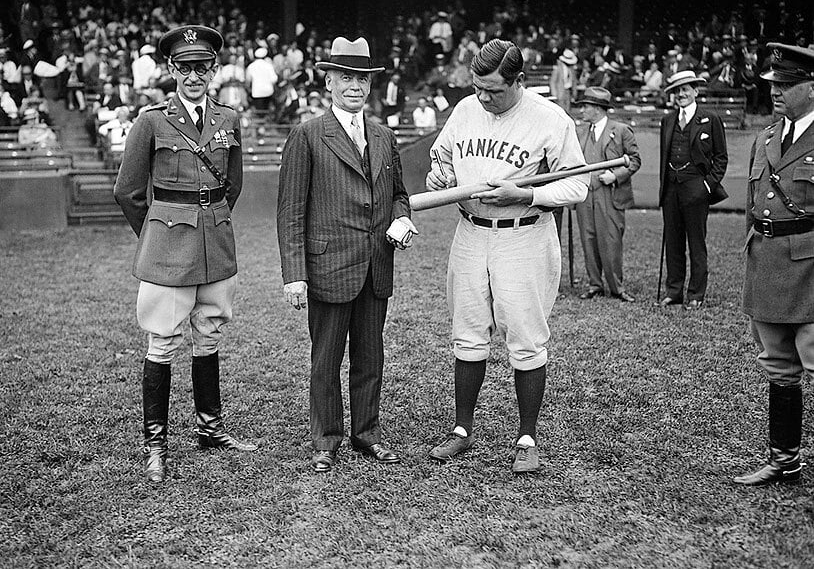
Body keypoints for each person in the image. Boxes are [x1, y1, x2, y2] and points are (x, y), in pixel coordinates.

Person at [425, 39, 588, 473]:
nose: (483, 98)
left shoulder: (550, 118)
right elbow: (441, 157)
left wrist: (528, 191)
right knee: (468, 331)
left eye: (493, 90)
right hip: (470, 232)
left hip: (524, 234)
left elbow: (577, 186)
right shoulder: (465, 110)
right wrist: (440, 172)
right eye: (477, 87)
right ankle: (461, 430)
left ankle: (527, 438)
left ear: (519, 81)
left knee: (526, 337)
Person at [113, 25, 257, 484]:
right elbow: (128, 191)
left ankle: (210, 429)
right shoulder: (151, 121)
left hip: (215, 240)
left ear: (214, 70)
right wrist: (156, 232)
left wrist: (209, 218)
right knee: (162, 341)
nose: (194, 76)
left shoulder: (229, 119)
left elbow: (232, 184)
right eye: (185, 67)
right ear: (171, 70)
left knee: (209, 333)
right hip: (167, 243)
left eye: (203, 67)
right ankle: (155, 443)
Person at [276, 36, 417, 473]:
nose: (354, 85)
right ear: (330, 82)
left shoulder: (383, 135)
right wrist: (294, 274)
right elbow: (290, 211)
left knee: (370, 357)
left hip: (376, 264)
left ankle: (367, 434)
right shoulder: (307, 135)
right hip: (328, 266)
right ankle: (326, 440)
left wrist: (402, 218)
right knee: (326, 359)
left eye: (362, 78)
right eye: (346, 77)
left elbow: (399, 195)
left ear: (370, 85)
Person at [736, 43, 814, 486]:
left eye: (787, 84)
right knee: (780, 367)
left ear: (812, 88)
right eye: (774, 84)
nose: (776, 92)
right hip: (767, 262)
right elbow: (753, 205)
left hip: (811, 266)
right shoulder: (766, 137)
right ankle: (785, 460)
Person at [657, 70, 728, 310]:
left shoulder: (710, 119)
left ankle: (696, 294)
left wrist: (708, 185)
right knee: (673, 243)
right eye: (677, 90)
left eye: (686, 89)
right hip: (671, 190)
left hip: (696, 188)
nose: (681, 94)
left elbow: (721, 158)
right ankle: (674, 291)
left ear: (696, 91)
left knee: (696, 244)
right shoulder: (667, 120)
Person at [572, 87, 641, 302]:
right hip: (585, 195)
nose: (582, 110)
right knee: (588, 239)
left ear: (598, 109)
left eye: (586, 106)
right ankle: (595, 284)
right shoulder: (580, 132)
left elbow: (635, 160)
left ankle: (616, 287)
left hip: (610, 195)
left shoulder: (621, 130)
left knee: (611, 240)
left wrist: (616, 175)